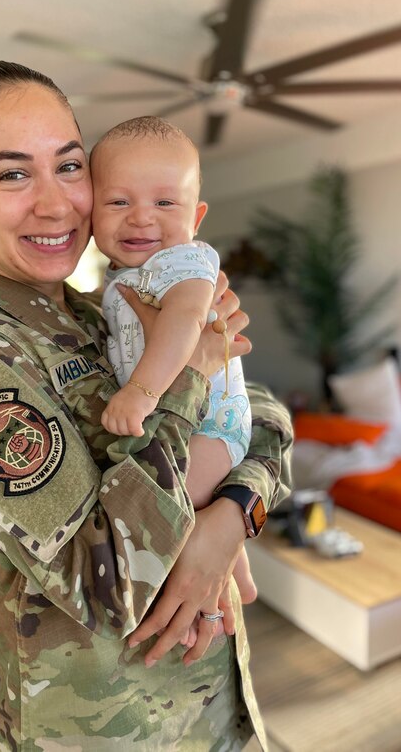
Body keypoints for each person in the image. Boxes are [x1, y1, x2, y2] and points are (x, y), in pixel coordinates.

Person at [0, 60, 293, 751]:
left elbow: (263, 413)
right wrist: (186, 379)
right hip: (103, 725)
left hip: (204, 702)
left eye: (69, 167)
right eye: (12, 173)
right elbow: (104, 580)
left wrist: (234, 515)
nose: (54, 204)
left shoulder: (105, 310)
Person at [91, 116, 251, 513]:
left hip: (208, 425)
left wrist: (140, 392)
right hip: (171, 424)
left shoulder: (183, 261)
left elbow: (186, 320)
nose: (141, 217)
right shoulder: (122, 276)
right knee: (192, 515)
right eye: (118, 202)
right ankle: (241, 572)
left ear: (195, 220)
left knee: (173, 512)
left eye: (164, 202)